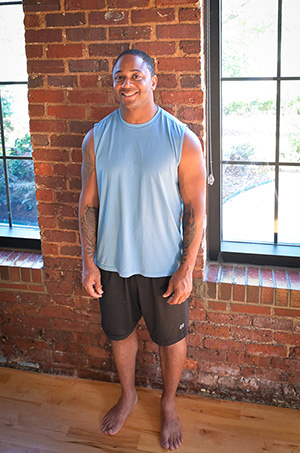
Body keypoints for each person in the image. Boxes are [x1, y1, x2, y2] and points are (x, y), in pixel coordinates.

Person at [79, 49, 206, 451]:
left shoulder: (181, 138)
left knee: (170, 340)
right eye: (119, 76)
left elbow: (197, 211)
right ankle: (129, 395)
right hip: (113, 262)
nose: (126, 83)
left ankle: (169, 405)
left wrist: (186, 269)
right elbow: (87, 204)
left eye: (136, 75)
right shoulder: (97, 137)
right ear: (113, 83)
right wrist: (88, 263)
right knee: (120, 335)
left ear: (154, 80)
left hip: (164, 264)